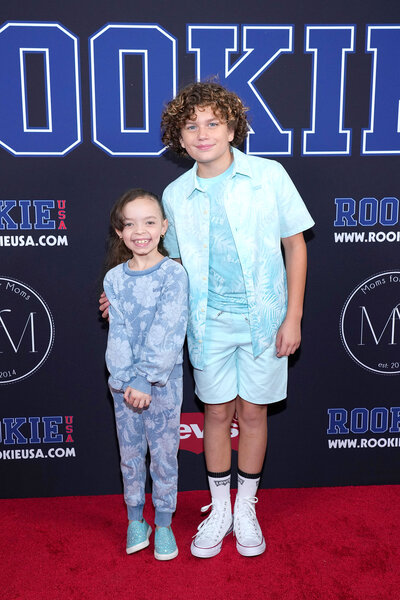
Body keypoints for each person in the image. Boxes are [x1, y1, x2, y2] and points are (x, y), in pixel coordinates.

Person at [100, 81, 314, 559]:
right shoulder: (174, 195)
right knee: (217, 413)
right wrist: (123, 297)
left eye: (213, 122)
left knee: (254, 413)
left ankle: (246, 508)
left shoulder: (269, 176)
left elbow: (295, 245)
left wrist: (293, 316)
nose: (203, 133)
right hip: (208, 323)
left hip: (265, 319)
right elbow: (160, 266)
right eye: (190, 126)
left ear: (233, 127)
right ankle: (219, 508)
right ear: (178, 138)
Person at [103, 188, 188, 561]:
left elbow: (169, 328)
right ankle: (136, 519)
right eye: (130, 223)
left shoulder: (174, 274)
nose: (141, 231)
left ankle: (165, 523)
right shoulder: (114, 280)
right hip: (124, 388)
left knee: (164, 455)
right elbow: (118, 333)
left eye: (150, 222)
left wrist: (146, 378)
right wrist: (124, 381)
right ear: (120, 232)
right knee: (130, 454)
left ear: (164, 227)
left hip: (164, 383)